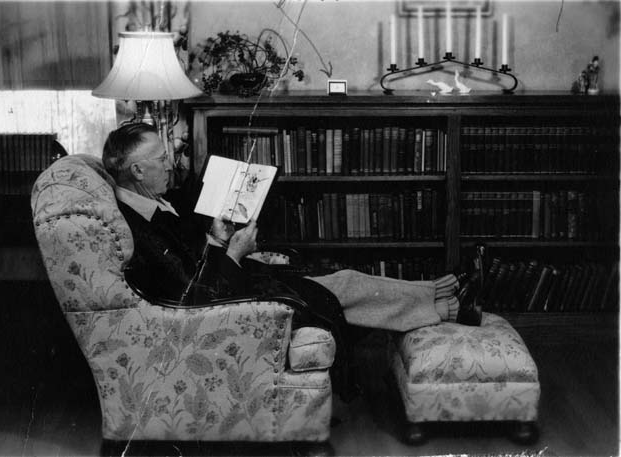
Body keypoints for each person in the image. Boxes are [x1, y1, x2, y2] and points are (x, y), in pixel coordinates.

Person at [102, 123, 482, 398]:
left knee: (343, 282)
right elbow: (194, 293)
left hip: (235, 286)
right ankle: (442, 303)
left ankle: (437, 297)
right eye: (162, 158)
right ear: (137, 170)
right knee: (344, 286)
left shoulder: (151, 203)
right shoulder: (139, 226)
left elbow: (191, 262)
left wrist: (217, 239)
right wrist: (233, 252)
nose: (170, 163)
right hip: (232, 303)